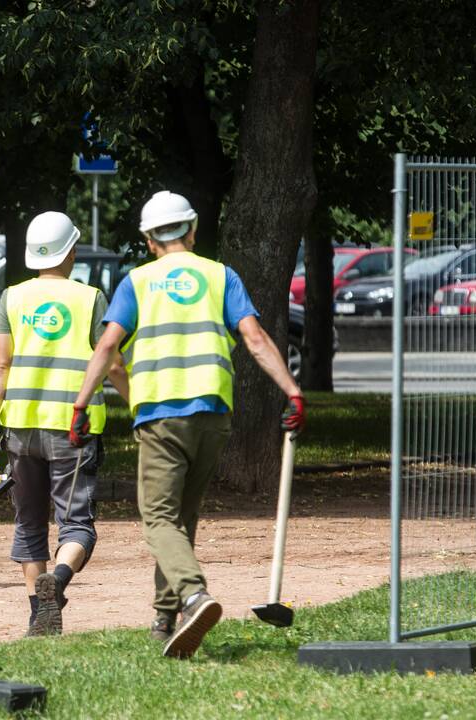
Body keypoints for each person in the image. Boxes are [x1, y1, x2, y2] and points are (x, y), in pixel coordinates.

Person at [71, 191, 305, 658]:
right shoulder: (221, 275)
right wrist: (292, 390)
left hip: (161, 415)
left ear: (148, 239)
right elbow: (255, 339)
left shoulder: (137, 282)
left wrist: (81, 405)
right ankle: (165, 617)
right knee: (180, 517)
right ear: (192, 230)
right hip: (213, 414)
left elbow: (106, 348)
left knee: (158, 516)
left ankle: (194, 595)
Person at [0, 211, 129, 636]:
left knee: (28, 523)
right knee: (76, 524)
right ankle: (56, 583)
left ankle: (38, 616)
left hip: (21, 428)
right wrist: (139, 404)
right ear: (72, 251)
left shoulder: (13, 297)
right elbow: (112, 362)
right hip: (72, 428)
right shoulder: (90, 298)